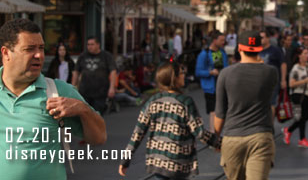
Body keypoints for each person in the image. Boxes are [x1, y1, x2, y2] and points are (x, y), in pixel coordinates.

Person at [0, 18, 106, 180]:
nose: (39, 55)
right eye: (29, 49)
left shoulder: (58, 91)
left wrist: (83, 110)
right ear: (6, 53)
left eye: (41, 48)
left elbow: (99, 138)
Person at [119, 62, 220, 179]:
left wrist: (125, 160)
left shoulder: (152, 101)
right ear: (174, 78)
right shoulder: (185, 102)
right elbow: (200, 133)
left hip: (158, 162)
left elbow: (137, 133)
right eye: (182, 73)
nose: (184, 75)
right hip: (179, 163)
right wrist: (219, 143)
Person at [214, 31, 278, 180]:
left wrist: (216, 138)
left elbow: (220, 113)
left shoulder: (225, 74)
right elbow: (271, 104)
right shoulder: (271, 73)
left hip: (232, 138)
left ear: (239, 48)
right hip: (261, 136)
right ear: (259, 49)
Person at [282, 47, 308, 148]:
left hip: (306, 95)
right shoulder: (295, 68)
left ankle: (289, 131)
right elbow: (291, 84)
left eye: (307, 54)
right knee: (301, 118)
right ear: (299, 56)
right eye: (305, 54)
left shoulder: (307, 67)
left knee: (305, 117)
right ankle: (302, 139)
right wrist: (306, 80)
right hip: (298, 95)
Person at [72, 36, 117, 114]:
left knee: (98, 115)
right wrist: (72, 87)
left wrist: (112, 88)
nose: (90, 47)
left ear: (98, 45)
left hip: (100, 92)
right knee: (85, 115)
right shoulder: (83, 56)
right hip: (85, 92)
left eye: (92, 44)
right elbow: (76, 72)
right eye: (88, 45)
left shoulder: (106, 56)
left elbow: (113, 72)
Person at [195, 29, 229, 130]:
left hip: (222, 85)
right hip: (210, 86)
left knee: (221, 110)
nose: (223, 42)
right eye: (221, 40)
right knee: (213, 111)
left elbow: (226, 66)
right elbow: (198, 72)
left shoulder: (222, 52)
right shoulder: (204, 54)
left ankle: (217, 133)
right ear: (214, 40)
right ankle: (213, 133)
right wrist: (210, 73)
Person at [260, 29, 286, 118]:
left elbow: (283, 64)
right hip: (259, 82)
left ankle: (270, 127)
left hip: (272, 82)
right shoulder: (256, 50)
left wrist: (283, 80)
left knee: (271, 103)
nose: (260, 40)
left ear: (268, 38)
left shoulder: (276, 50)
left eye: (262, 38)